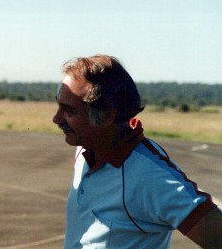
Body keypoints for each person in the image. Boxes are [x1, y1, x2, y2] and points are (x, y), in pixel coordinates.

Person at [52, 55, 222, 248]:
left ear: (107, 115)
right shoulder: (85, 147)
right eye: (59, 106)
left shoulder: (148, 174)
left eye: (69, 111)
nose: (56, 119)